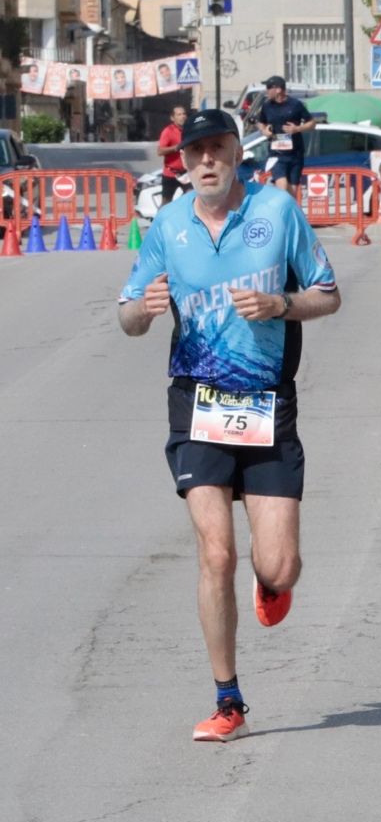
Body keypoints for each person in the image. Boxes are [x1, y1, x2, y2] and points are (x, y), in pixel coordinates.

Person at [115, 108, 343, 742]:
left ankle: (272, 583)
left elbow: (328, 293)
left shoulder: (277, 213)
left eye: (217, 149)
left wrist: (283, 305)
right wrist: (146, 312)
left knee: (279, 566)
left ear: (239, 153)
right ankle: (228, 698)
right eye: (195, 153)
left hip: (268, 404)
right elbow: (128, 315)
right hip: (198, 403)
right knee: (215, 553)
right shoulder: (167, 225)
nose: (206, 161)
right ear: (182, 164)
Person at [257, 76, 316, 199]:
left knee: (292, 193)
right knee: (282, 186)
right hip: (277, 154)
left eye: (269, 88)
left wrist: (297, 129)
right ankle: (282, 215)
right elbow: (260, 122)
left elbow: (312, 123)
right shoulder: (267, 106)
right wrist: (264, 131)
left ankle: (290, 214)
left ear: (278, 89)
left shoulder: (295, 105)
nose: (266, 91)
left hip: (295, 154)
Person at [157, 102, 188, 206]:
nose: (182, 117)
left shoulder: (189, 130)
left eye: (184, 114)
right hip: (171, 173)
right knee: (166, 202)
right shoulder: (168, 131)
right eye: (179, 115)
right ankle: (161, 221)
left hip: (186, 173)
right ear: (172, 118)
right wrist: (176, 147)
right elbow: (160, 151)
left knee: (191, 199)